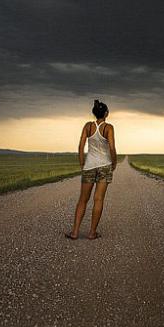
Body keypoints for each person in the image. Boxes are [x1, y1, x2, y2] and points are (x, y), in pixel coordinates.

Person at [66, 99, 116, 240]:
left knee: (82, 200)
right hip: (105, 166)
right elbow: (111, 147)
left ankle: (75, 232)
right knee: (98, 199)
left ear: (94, 113)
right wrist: (114, 163)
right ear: (106, 113)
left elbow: (81, 146)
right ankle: (92, 233)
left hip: (89, 166)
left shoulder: (88, 126)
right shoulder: (109, 128)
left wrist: (82, 163)